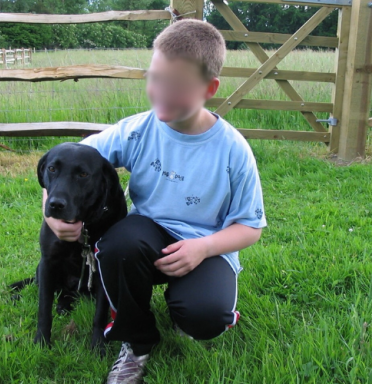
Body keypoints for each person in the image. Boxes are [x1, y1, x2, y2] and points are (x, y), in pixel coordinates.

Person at [43, 19, 267, 384]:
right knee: (117, 245)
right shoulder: (137, 130)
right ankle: (136, 340)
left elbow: (250, 227)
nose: (160, 92)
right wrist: (51, 212)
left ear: (209, 88)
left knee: (205, 317)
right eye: (155, 77)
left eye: (176, 85)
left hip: (206, 246)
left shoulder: (233, 151)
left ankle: (196, 311)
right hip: (146, 239)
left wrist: (202, 247)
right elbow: (67, 160)